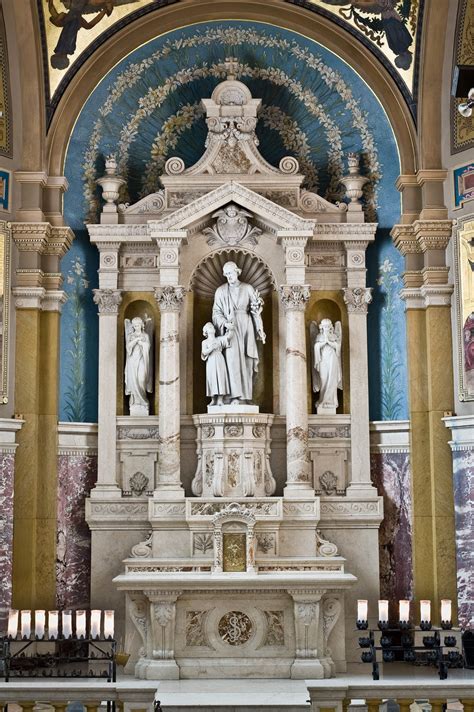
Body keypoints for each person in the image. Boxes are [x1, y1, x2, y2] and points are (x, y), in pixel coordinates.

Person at [212, 261, 265, 405]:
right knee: (232, 361)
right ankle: (234, 396)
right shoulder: (221, 291)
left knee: (247, 361)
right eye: (226, 274)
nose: (229, 276)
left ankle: (245, 397)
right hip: (230, 329)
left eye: (231, 273)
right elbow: (216, 313)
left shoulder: (248, 288)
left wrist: (257, 309)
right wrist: (224, 323)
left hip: (246, 326)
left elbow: (255, 309)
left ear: (237, 272)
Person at [312, 318, 342, 413]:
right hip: (323, 360)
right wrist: (323, 342)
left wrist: (329, 341)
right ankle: (322, 399)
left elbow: (338, 347)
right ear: (321, 327)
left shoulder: (334, 336)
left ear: (331, 327)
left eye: (328, 326)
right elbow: (316, 347)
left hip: (332, 359)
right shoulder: (319, 336)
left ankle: (330, 401)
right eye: (324, 326)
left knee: (332, 379)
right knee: (323, 378)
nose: (326, 328)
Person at [124, 316, 152, 415]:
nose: (137, 327)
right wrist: (136, 340)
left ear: (141, 325)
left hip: (142, 360)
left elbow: (148, 347)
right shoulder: (131, 336)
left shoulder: (145, 335)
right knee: (133, 381)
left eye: (138, 325)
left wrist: (141, 342)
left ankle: (143, 400)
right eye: (135, 326)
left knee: (141, 379)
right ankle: (135, 401)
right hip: (132, 361)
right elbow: (128, 347)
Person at [201, 322, 232, 406]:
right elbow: (204, 352)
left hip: (219, 359)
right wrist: (211, 348)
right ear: (205, 331)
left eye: (212, 326)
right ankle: (213, 399)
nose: (211, 327)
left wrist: (230, 328)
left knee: (220, 378)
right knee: (212, 379)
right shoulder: (205, 342)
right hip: (211, 361)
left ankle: (220, 399)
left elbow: (228, 337)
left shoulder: (219, 339)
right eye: (209, 327)